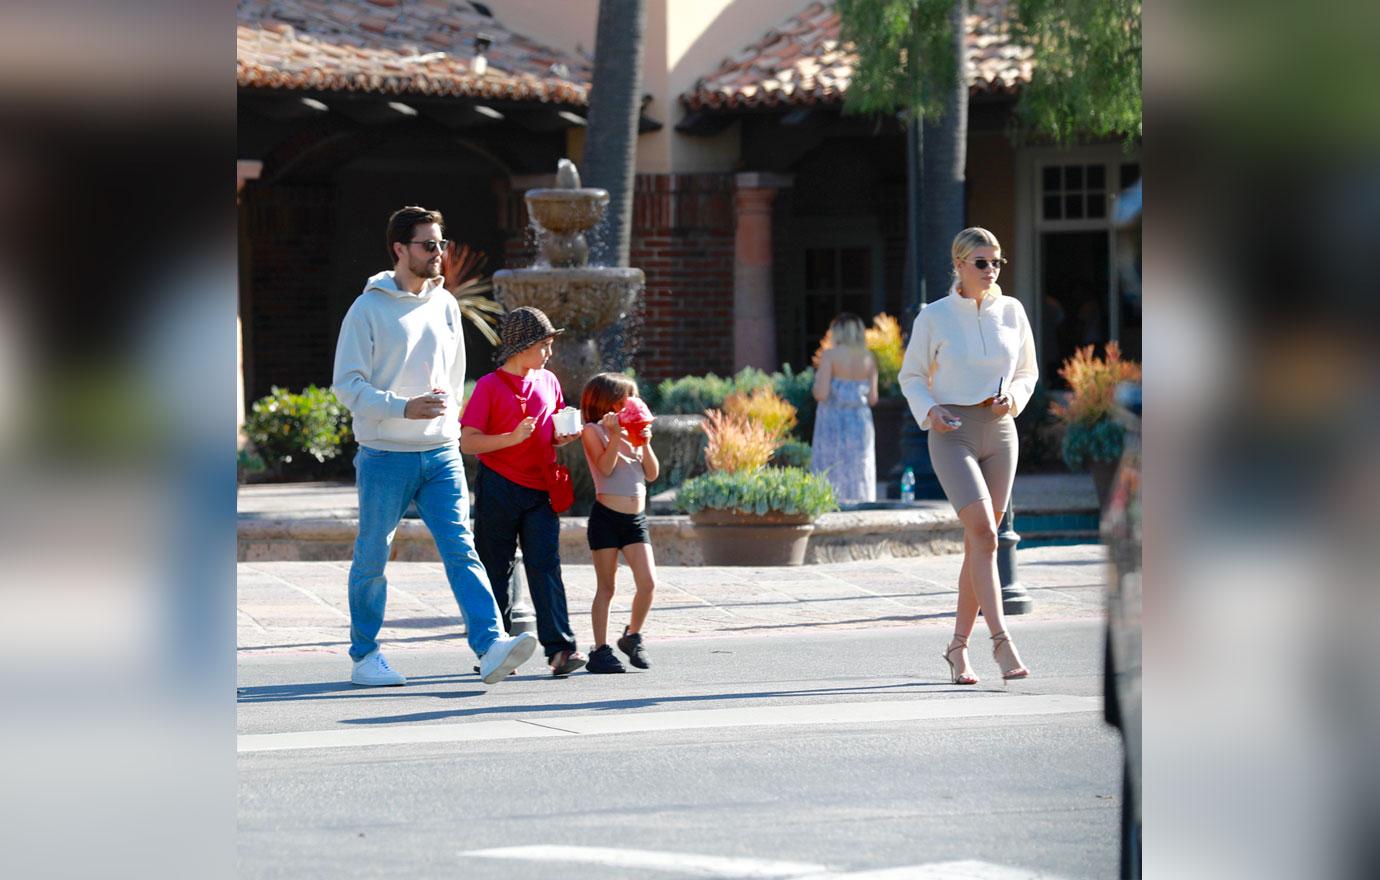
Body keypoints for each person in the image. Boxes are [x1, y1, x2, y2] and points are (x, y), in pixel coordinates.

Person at [331, 206, 537, 687]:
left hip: (440, 452)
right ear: (400, 249)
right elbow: (346, 385)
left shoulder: (445, 304)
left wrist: (450, 421)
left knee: (463, 550)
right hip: (385, 453)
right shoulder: (367, 309)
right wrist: (403, 408)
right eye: (429, 245)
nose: (439, 253)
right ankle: (365, 657)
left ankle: (490, 646)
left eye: (441, 243)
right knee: (373, 556)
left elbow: (453, 373)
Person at [898, 227, 1038, 684]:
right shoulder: (934, 317)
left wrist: (1013, 400)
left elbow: (1026, 372)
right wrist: (930, 409)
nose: (991, 270)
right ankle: (1001, 641)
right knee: (985, 533)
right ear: (958, 264)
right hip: (952, 431)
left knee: (981, 542)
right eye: (982, 262)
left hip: (1000, 431)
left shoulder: (1012, 312)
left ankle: (957, 649)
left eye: (997, 262)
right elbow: (912, 376)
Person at [460, 306, 586, 676]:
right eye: (544, 345)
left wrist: (565, 437)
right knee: (495, 568)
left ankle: (561, 650)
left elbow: (554, 430)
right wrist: (511, 438)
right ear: (522, 346)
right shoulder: (489, 387)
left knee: (546, 566)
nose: (549, 353)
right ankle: (495, 650)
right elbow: (468, 443)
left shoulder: (549, 382)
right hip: (498, 486)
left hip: (540, 488)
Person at [578, 373, 660, 673]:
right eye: (628, 399)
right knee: (607, 587)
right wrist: (614, 436)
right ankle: (599, 649)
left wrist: (645, 443)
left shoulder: (635, 433)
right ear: (609, 404)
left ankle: (632, 635)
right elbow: (605, 467)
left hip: (635, 520)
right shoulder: (592, 431)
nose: (635, 404)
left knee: (648, 583)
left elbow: (651, 474)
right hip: (606, 518)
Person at [811, 313, 878, 503]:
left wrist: (815, 387)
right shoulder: (869, 357)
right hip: (860, 420)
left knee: (831, 463)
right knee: (859, 464)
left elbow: (822, 393)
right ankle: (861, 503)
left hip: (833, 419)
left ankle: (829, 503)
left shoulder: (831, 355)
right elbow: (873, 398)